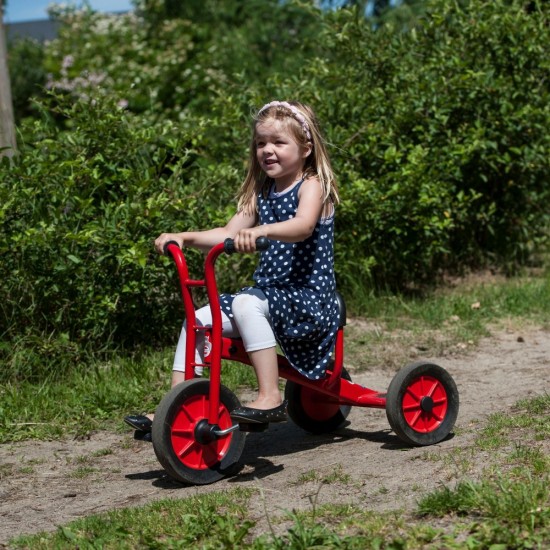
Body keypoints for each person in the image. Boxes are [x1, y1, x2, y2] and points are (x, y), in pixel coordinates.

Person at [124, 100, 340, 435]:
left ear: (306, 148)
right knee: (198, 319)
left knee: (245, 303)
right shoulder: (261, 192)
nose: (267, 150)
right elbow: (228, 232)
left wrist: (262, 231)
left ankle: (270, 396)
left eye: (278, 142)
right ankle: (176, 406)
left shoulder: (312, 185)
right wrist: (184, 237)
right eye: (260, 143)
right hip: (269, 297)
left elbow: (303, 226)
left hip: (308, 300)